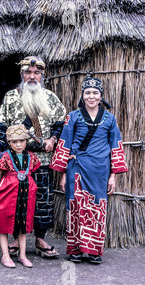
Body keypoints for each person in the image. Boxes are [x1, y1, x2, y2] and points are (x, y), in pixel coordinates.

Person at [0, 56, 66, 258]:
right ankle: (17, 238)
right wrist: (0, 159)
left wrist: (53, 138)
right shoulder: (10, 97)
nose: (32, 76)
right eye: (28, 72)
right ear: (22, 74)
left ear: (42, 75)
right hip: (17, 163)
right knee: (17, 201)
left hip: (42, 161)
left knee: (42, 200)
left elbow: (60, 123)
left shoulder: (50, 97)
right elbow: (1, 126)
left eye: (36, 73)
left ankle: (40, 240)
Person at [50, 77, 128, 264]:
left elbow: (116, 146)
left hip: (100, 171)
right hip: (76, 169)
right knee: (75, 207)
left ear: (101, 96)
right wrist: (62, 174)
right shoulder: (73, 116)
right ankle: (75, 250)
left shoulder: (110, 119)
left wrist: (113, 176)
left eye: (95, 93)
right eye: (88, 93)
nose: (91, 96)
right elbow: (64, 144)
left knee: (97, 208)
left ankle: (94, 251)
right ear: (83, 96)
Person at [0, 124, 41, 268]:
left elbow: (34, 172)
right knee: (4, 223)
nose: (18, 144)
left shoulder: (31, 157)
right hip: (8, 194)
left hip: (26, 195)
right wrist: (1, 189)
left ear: (26, 141)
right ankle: (5, 256)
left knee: (22, 225)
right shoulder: (5, 157)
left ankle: (22, 255)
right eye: (14, 142)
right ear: (9, 143)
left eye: (22, 141)